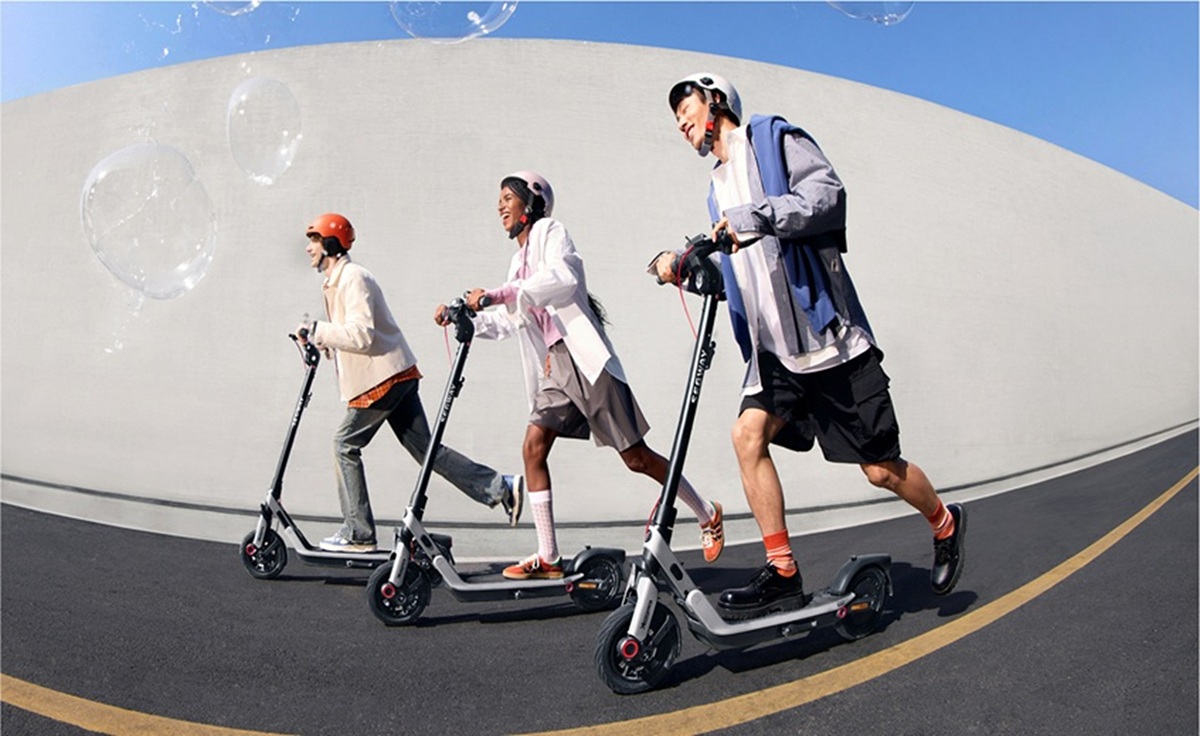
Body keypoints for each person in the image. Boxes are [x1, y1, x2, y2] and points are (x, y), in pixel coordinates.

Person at [652, 74, 966, 617]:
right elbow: (745, 270)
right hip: (777, 356)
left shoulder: (775, 139)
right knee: (746, 436)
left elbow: (826, 196)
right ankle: (782, 572)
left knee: (880, 469)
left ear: (716, 102)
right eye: (675, 115)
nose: (680, 121)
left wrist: (754, 217)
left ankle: (944, 522)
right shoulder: (715, 187)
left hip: (830, 343)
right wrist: (686, 268)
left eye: (687, 106)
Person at [436, 172, 724, 580]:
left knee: (636, 458)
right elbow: (510, 319)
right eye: (499, 199)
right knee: (533, 448)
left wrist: (499, 294)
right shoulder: (517, 262)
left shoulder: (551, 232)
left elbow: (563, 278)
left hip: (585, 360)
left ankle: (707, 512)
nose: (500, 205)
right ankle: (548, 555)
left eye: (508, 197)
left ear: (531, 204)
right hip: (555, 366)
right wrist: (464, 318)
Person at [297, 213, 524, 553]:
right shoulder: (335, 282)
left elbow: (362, 335)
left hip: (382, 378)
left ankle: (358, 533)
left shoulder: (354, 277)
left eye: (314, 241)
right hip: (393, 375)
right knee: (427, 452)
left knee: (344, 445)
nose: (308, 248)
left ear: (330, 243)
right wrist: (319, 341)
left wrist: (320, 330)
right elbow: (349, 335)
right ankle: (501, 487)